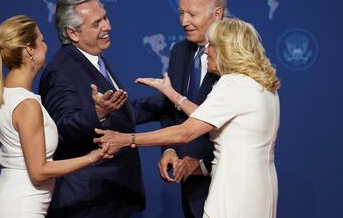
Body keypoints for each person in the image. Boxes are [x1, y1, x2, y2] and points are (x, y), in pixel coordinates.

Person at [95, 18, 281, 218]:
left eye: (212, 45)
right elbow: (206, 115)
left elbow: (185, 132)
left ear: (228, 50)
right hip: (260, 186)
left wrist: (126, 139)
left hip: (234, 189)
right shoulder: (259, 84)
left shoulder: (231, 84)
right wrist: (171, 93)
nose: (206, 51)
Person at [39, 0, 161, 217]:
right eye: (97, 23)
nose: (108, 26)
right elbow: (62, 128)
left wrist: (168, 100)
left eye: (105, 17)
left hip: (114, 197)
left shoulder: (93, 59)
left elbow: (121, 112)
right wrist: (97, 113)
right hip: (90, 202)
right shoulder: (61, 72)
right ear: (73, 33)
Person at [0, 15, 111, 218]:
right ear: (29, 50)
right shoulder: (27, 105)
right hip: (21, 207)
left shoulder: (8, 95)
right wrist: (92, 157)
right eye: (41, 40)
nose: (46, 46)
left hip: (13, 202)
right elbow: (39, 170)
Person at [154, 0, 225, 218]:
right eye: (181, 13)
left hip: (224, 184)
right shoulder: (180, 51)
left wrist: (203, 166)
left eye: (192, 14)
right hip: (189, 186)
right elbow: (170, 110)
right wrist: (169, 149)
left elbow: (236, 125)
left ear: (217, 14)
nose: (184, 22)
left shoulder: (238, 54)